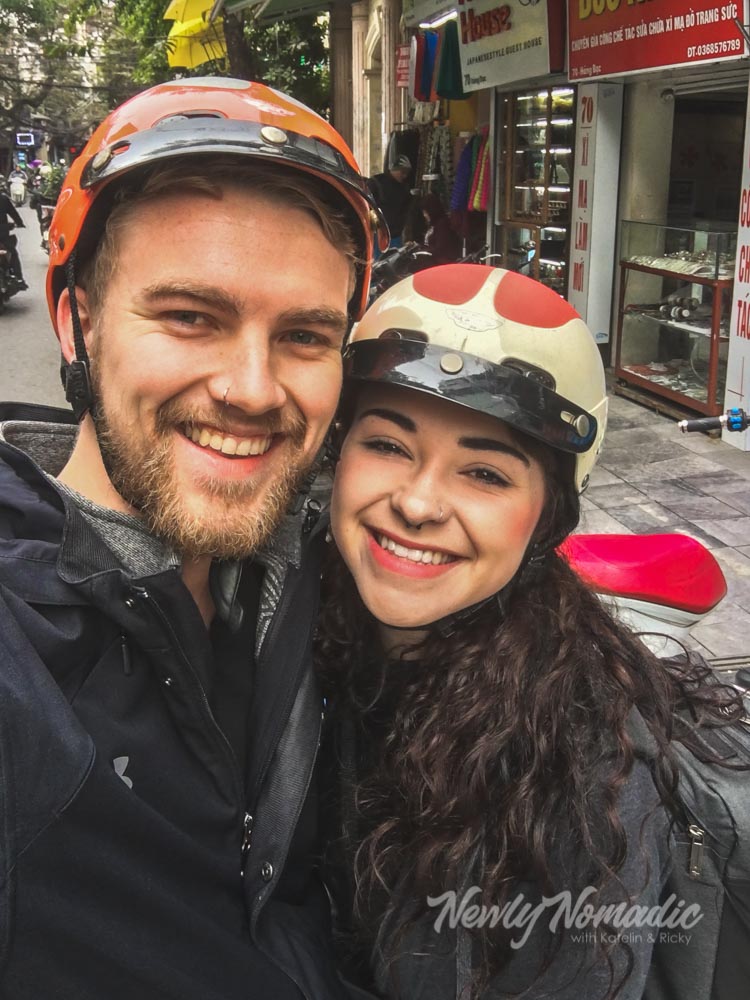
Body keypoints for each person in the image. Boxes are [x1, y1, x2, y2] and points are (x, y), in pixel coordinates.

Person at [0, 77, 388, 999]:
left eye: (303, 335)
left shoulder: (330, 570)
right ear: (77, 324)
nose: (253, 389)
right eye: (190, 317)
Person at [316, 265, 743, 999]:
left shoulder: (583, 773)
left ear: (547, 517)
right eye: (387, 444)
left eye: (484, 474)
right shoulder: (293, 618)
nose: (418, 504)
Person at [368, 154, 413, 250]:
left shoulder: (404, 189)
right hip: (379, 234)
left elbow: (407, 211)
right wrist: (376, 226)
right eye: (403, 172)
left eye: (407, 173)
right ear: (394, 169)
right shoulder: (377, 182)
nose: (405, 176)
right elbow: (368, 205)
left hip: (396, 235)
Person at [420, 193, 461, 264]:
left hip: (441, 263)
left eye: (426, 212)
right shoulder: (433, 224)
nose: (424, 215)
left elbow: (440, 248)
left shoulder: (442, 224)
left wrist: (423, 251)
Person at [0, 187, 27, 287]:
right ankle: (19, 278)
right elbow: (13, 213)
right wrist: (19, 223)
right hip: (3, 234)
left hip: (3, 235)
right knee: (13, 254)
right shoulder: (3, 199)